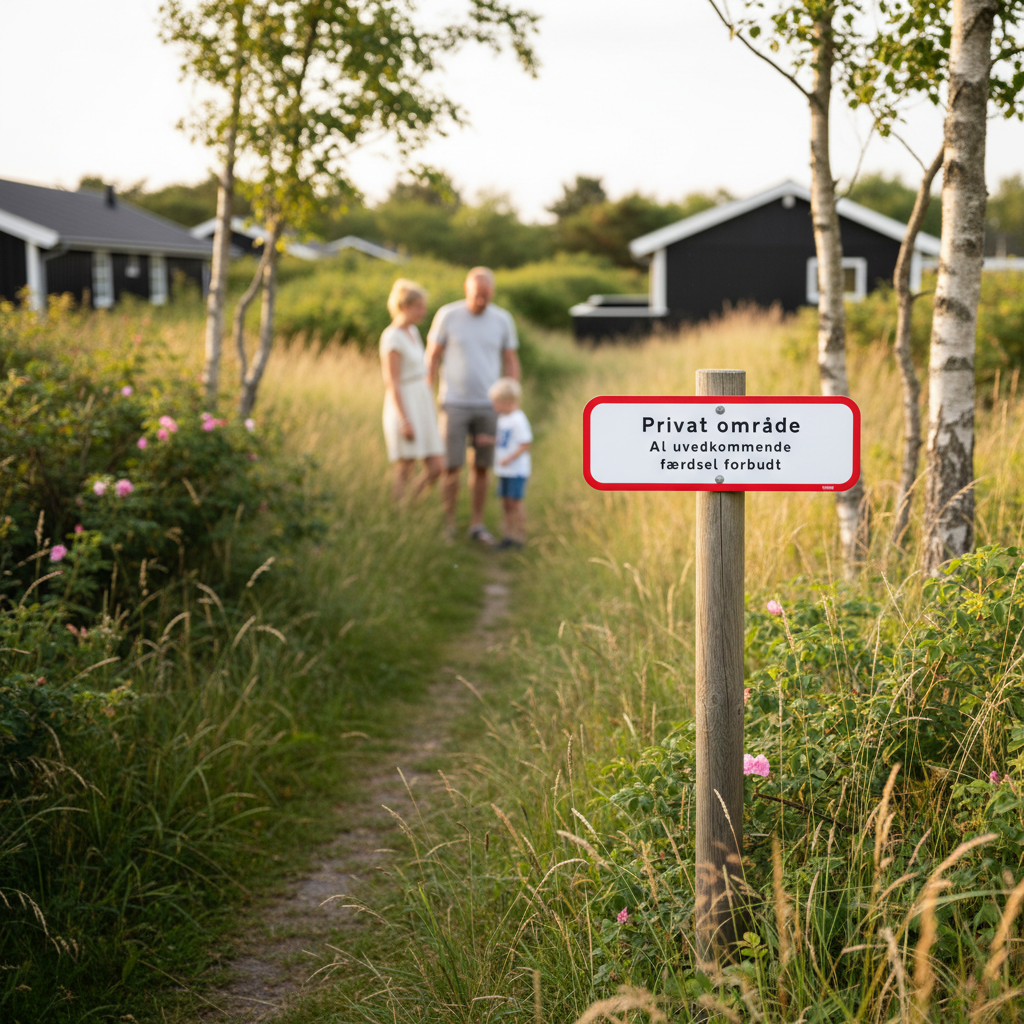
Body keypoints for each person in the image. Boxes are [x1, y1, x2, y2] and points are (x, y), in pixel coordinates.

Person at [425, 267, 520, 543]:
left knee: (481, 466)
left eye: (487, 295)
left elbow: (511, 359)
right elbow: (432, 356)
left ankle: (476, 524)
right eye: (477, 295)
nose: (481, 300)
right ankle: (449, 524)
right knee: (451, 466)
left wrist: (511, 398)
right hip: (453, 403)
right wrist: (426, 395)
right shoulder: (448, 315)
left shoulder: (502, 319)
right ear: (467, 290)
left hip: (489, 405)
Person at [380, 279, 444, 502]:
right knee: (406, 465)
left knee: (437, 466)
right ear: (404, 306)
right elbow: (393, 381)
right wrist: (404, 420)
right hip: (404, 402)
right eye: (418, 306)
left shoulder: (413, 332)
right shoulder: (391, 337)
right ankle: (398, 511)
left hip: (422, 401)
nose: (423, 311)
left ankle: (411, 503)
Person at [489, 376, 532, 550]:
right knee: (506, 503)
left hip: (516, 470)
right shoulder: (503, 418)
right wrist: (489, 441)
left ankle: (520, 537)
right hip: (504, 471)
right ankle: (508, 535)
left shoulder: (518, 419)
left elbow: (525, 444)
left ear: (507, 401)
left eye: (496, 402)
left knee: (516, 502)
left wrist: (509, 458)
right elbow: (505, 440)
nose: (494, 406)